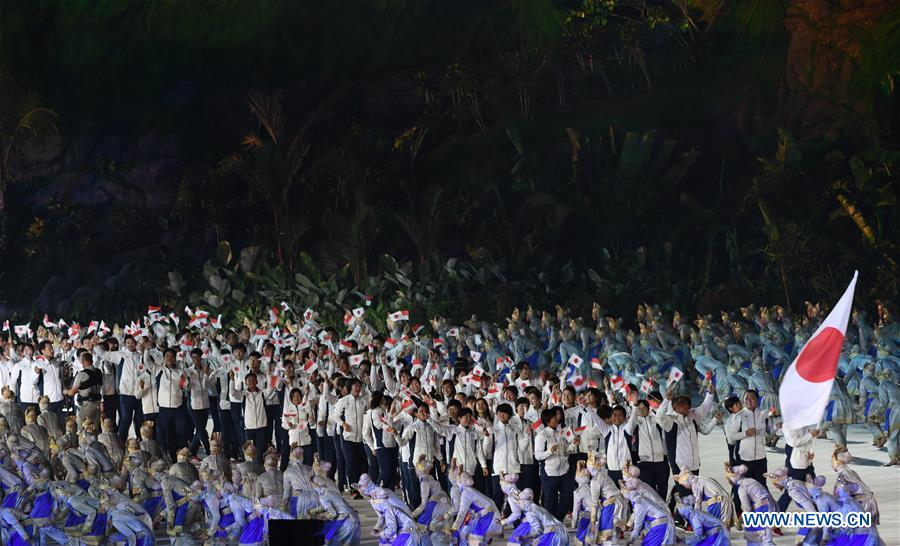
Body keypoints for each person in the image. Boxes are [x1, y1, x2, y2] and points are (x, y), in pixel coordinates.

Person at [534, 407, 578, 520]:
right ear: (548, 421)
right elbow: (538, 455)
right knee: (550, 500)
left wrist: (573, 445)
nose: (557, 418)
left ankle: (557, 520)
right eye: (554, 417)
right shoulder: (541, 436)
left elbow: (565, 452)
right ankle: (549, 524)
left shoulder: (560, 433)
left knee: (568, 497)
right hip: (549, 472)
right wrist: (549, 451)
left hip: (564, 470)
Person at [65, 352, 102, 427]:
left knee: (83, 428)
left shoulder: (82, 374)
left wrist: (65, 391)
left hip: (86, 405)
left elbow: (72, 392)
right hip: (97, 403)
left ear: (83, 362)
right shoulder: (98, 372)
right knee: (94, 429)